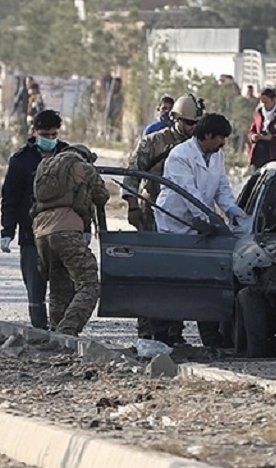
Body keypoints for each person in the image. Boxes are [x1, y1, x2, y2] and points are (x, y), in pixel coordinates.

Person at [155, 112, 246, 347]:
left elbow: (222, 187)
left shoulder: (217, 155)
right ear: (207, 135)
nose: (223, 143)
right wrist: (212, 221)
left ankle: (210, 337)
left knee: (205, 281)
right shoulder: (180, 156)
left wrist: (232, 209)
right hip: (175, 224)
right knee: (174, 282)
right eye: (220, 138)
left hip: (200, 225)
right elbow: (188, 194)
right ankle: (166, 336)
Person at [0, 109, 69, 330]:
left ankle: (61, 330)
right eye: (45, 134)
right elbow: (10, 198)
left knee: (62, 285)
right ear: (34, 132)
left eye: (53, 135)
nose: (49, 139)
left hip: (63, 231)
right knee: (35, 287)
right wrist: (7, 231)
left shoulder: (68, 156)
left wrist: (85, 228)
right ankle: (40, 330)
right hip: (32, 233)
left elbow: (81, 195)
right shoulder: (21, 161)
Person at [31, 144, 107, 336]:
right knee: (89, 283)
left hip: (41, 232)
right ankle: (68, 329)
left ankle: (56, 334)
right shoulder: (84, 167)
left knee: (58, 288)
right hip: (67, 230)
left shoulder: (45, 168)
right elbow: (102, 196)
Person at [123, 94, 205, 233]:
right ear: (176, 119)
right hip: (152, 207)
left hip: (188, 214)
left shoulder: (201, 146)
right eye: (190, 123)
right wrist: (133, 207)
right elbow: (132, 174)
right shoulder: (154, 141)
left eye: (197, 123)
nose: (194, 128)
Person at [105, 77, 124, 142]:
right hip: (110, 112)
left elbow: (119, 105)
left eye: (116, 85)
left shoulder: (120, 95)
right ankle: (108, 137)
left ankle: (117, 138)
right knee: (109, 125)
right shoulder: (111, 94)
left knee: (116, 126)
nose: (115, 87)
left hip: (117, 114)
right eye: (114, 85)